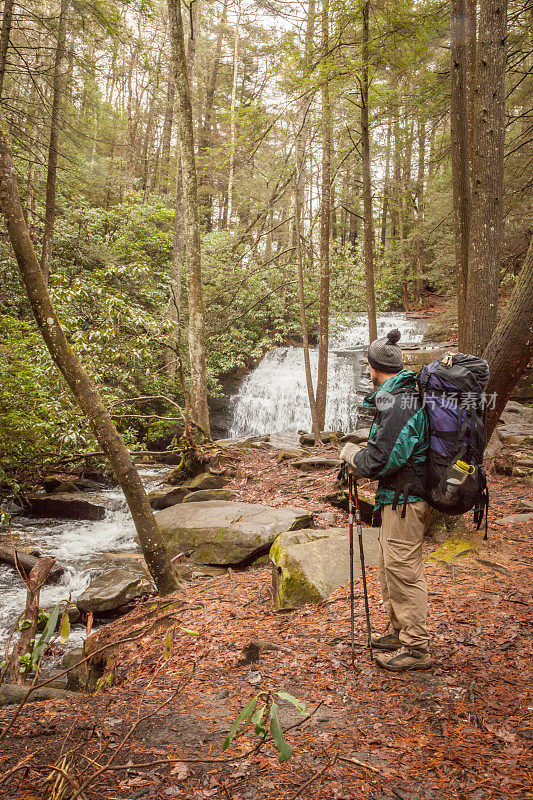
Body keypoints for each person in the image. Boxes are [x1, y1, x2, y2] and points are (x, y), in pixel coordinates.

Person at [340, 329, 432, 672]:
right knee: (392, 566)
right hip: (398, 497)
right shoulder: (400, 395)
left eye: (368, 364)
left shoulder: (399, 403)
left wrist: (351, 454)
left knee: (403, 570)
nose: (367, 369)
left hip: (406, 499)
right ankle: (399, 633)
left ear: (373, 366)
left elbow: (379, 460)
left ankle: (417, 647)